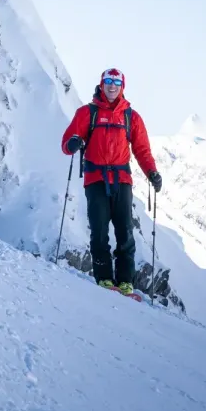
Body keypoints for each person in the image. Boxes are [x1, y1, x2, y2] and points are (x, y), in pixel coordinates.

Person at [60, 68, 162, 295]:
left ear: (122, 86)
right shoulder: (88, 113)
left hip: (122, 180)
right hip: (95, 179)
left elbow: (142, 150)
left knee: (125, 231)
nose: (112, 86)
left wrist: (152, 173)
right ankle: (104, 279)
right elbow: (67, 142)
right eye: (108, 81)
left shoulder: (131, 117)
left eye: (116, 82)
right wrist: (73, 143)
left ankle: (125, 282)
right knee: (99, 231)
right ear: (102, 84)